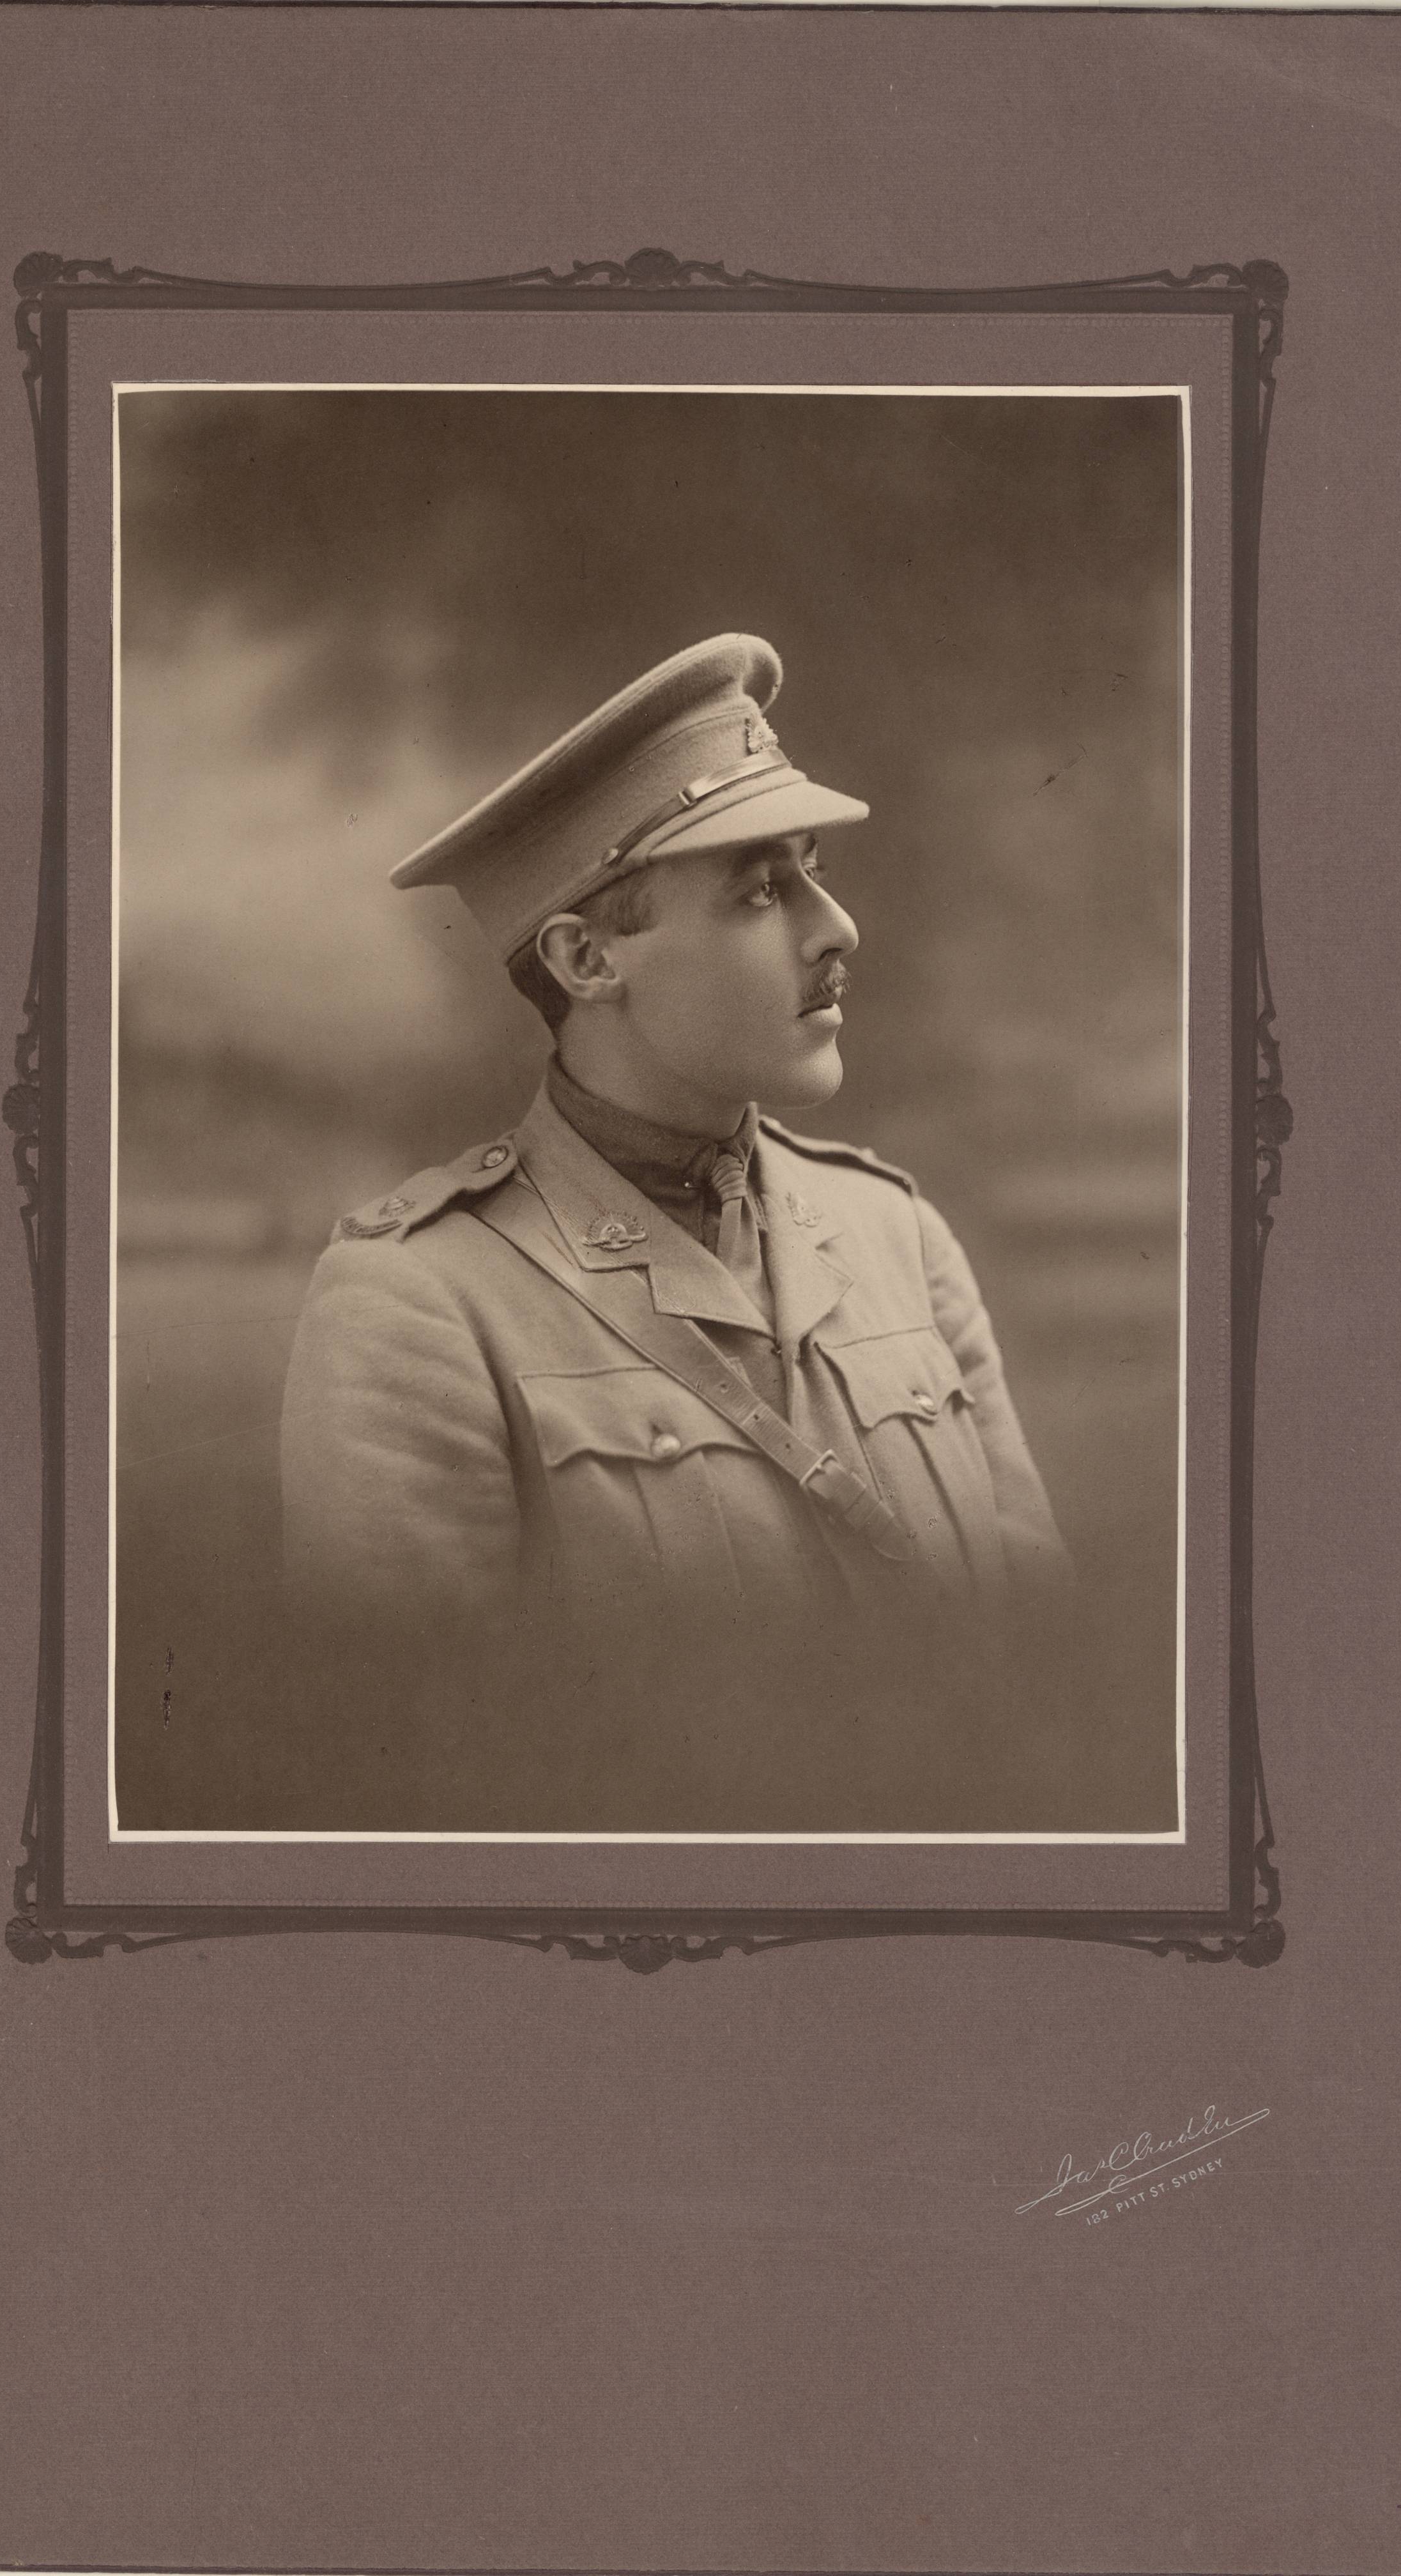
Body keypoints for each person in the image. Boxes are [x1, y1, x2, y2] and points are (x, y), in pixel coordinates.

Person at [280, 634, 1069, 1830]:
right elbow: (413, 1787)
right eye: (759, 890)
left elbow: (1044, 1673)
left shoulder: (899, 1237)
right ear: (586, 959)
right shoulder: (420, 1305)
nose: (838, 928)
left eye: (812, 871)